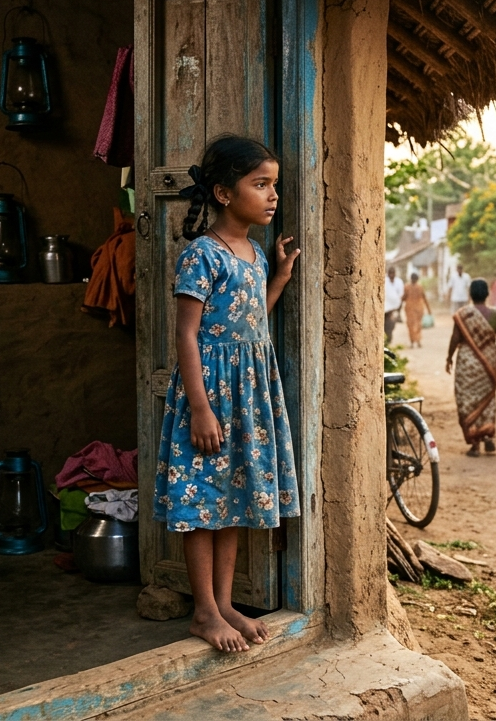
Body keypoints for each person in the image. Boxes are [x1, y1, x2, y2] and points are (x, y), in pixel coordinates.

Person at [157, 135, 300, 653]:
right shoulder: (202, 255)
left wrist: (279, 278)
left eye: (274, 185)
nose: (272, 195)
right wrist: (199, 407)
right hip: (211, 394)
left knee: (233, 498)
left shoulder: (256, 254)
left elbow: (252, 315)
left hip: (248, 398)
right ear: (222, 192)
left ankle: (224, 604)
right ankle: (202, 611)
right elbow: (187, 334)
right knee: (201, 501)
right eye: (260, 184)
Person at [445, 279, 496, 457]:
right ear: (487, 295)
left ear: (470, 295)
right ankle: (488, 436)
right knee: (488, 398)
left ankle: (475, 444)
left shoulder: (463, 314)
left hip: (467, 363)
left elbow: (455, 338)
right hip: (489, 361)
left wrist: (449, 358)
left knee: (467, 399)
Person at [402, 272, 431, 349]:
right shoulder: (419, 287)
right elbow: (424, 298)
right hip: (418, 308)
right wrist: (429, 309)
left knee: (411, 325)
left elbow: (404, 297)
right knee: (418, 325)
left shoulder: (407, 286)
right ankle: (418, 341)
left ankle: (413, 341)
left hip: (411, 308)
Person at [384, 266, 404, 342]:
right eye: (390, 273)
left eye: (393, 273)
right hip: (386, 306)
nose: (391, 275)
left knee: (391, 323)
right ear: (388, 274)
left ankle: (389, 336)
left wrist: (397, 305)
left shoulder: (399, 282)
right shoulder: (385, 281)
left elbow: (401, 294)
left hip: (395, 306)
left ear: (395, 274)